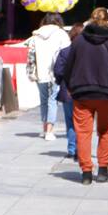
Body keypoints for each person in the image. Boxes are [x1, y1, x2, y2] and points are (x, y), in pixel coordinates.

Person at [59, 7, 108, 183]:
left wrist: (69, 85)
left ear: (90, 19)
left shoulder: (79, 40)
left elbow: (68, 66)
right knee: (106, 130)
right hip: (107, 94)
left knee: (83, 132)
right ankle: (103, 170)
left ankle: (86, 173)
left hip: (82, 93)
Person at [26, 12, 71, 141]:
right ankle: (49, 131)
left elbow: (30, 56)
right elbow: (66, 55)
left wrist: (30, 72)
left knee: (44, 100)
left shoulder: (36, 34)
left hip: (39, 73)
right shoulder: (62, 34)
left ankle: (44, 128)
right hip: (54, 72)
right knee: (52, 100)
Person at [53, 22, 84, 160]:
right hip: (84, 91)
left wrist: (62, 82)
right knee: (83, 121)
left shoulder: (65, 51)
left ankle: (72, 148)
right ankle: (82, 148)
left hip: (68, 90)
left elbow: (58, 71)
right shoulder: (87, 53)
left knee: (70, 121)